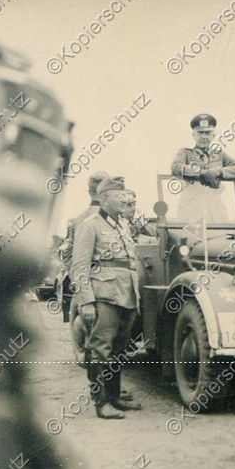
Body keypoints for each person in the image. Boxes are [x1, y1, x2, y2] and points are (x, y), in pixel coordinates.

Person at [71, 177, 143, 419]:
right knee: (100, 349)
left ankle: (114, 397)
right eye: (118, 196)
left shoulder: (121, 224)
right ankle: (101, 403)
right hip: (105, 296)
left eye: (125, 196)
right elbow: (79, 267)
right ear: (103, 199)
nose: (124, 200)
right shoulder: (90, 226)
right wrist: (87, 301)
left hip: (127, 294)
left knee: (120, 348)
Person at [171, 114, 235, 223]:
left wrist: (218, 171)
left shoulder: (219, 154)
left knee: (223, 238)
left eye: (207, 133)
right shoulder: (185, 153)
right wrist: (202, 173)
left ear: (213, 135)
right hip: (192, 212)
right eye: (200, 133)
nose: (204, 137)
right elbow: (176, 167)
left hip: (216, 210)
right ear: (193, 135)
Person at [58, 170, 109, 321]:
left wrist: (78, 278)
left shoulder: (78, 220)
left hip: (85, 285)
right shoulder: (112, 218)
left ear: (89, 191)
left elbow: (68, 254)